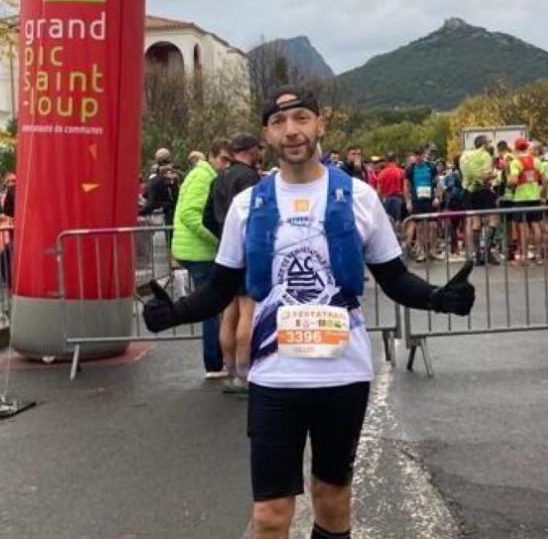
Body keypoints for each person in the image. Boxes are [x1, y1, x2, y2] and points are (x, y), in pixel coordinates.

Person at [141, 86, 475, 539]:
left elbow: (394, 278)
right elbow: (220, 288)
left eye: (301, 118)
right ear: (266, 135)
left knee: (332, 501)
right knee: (269, 515)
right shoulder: (247, 205)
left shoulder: (359, 197)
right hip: (274, 378)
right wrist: (174, 312)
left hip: (342, 376)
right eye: (279, 122)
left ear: (319, 125)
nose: (291, 130)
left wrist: (439, 298)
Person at [210, 132, 263, 395]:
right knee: (247, 311)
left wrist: (223, 236)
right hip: (247, 251)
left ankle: (230, 369)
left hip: (225, 249)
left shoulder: (219, 177)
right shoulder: (250, 178)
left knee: (229, 312)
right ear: (252, 150)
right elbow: (257, 216)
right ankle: (244, 374)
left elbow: (208, 216)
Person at [171, 138, 230, 379]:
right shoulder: (204, 177)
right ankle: (214, 363)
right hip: (199, 252)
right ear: (211, 156)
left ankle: (215, 361)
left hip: (194, 250)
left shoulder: (201, 175)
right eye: (223, 159)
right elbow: (189, 214)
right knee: (211, 308)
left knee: (211, 307)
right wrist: (218, 239)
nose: (226, 165)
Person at [508, 137, 548, 266]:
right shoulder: (536, 161)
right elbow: (544, 181)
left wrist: (509, 182)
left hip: (521, 199)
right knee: (536, 226)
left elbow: (514, 180)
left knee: (523, 228)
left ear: (516, 148)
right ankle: (538, 255)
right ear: (526, 147)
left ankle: (524, 257)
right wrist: (542, 195)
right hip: (535, 197)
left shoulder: (516, 162)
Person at [460, 135, 500, 266]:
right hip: (483, 190)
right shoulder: (485, 155)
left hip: (470, 191)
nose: (490, 145)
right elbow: (486, 175)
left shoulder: (466, 155)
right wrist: (495, 174)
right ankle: (486, 252)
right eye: (488, 142)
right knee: (493, 220)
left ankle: (477, 254)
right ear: (483, 144)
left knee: (476, 223)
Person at [404, 144, 442, 262]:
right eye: (416, 154)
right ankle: (422, 251)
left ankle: (432, 250)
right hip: (417, 200)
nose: (418, 157)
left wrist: (437, 197)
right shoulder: (410, 169)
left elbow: (438, 183)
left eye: (420, 154)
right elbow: (406, 186)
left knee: (433, 226)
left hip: (430, 200)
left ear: (424, 154)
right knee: (420, 227)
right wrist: (408, 201)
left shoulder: (431, 166)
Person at [375, 153, 405, 224]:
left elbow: (379, 191)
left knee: (388, 221)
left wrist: (380, 202)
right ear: (396, 160)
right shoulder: (401, 172)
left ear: (387, 161)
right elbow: (404, 188)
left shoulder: (382, 173)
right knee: (398, 221)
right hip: (398, 199)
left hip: (386, 199)